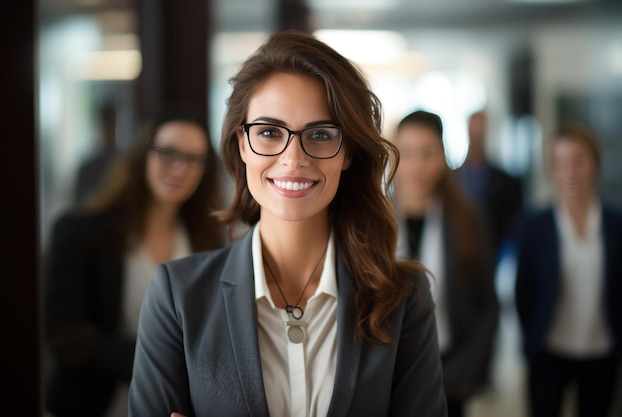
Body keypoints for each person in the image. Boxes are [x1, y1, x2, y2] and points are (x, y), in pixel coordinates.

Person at [129, 30, 447, 417]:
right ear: (242, 143)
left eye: (319, 134)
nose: (293, 158)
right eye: (268, 132)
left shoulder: (404, 298)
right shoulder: (177, 297)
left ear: (347, 152)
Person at [43, 107, 226, 417]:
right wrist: (159, 362)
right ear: (143, 155)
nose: (179, 169)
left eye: (194, 160)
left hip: (172, 407)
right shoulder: (80, 232)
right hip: (92, 404)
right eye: (167, 153)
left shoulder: (207, 242)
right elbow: (66, 335)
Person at [514, 121, 622, 417]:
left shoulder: (618, 225)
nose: (570, 172)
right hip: (549, 351)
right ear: (551, 169)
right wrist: (531, 340)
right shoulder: (534, 226)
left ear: (596, 164)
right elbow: (522, 292)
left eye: (579, 161)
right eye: (561, 163)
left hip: (602, 351)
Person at [393, 110, 499, 417]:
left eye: (428, 154)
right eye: (407, 153)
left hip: (450, 369)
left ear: (443, 157)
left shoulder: (469, 219)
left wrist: (465, 372)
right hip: (387, 369)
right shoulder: (371, 224)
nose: (417, 166)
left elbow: (487, 306)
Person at [456, 110, 523, 253]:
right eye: (473, 132)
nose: (476, 137)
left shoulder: (506, 182)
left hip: (493, 251)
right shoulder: (453, 178)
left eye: (480, 132)